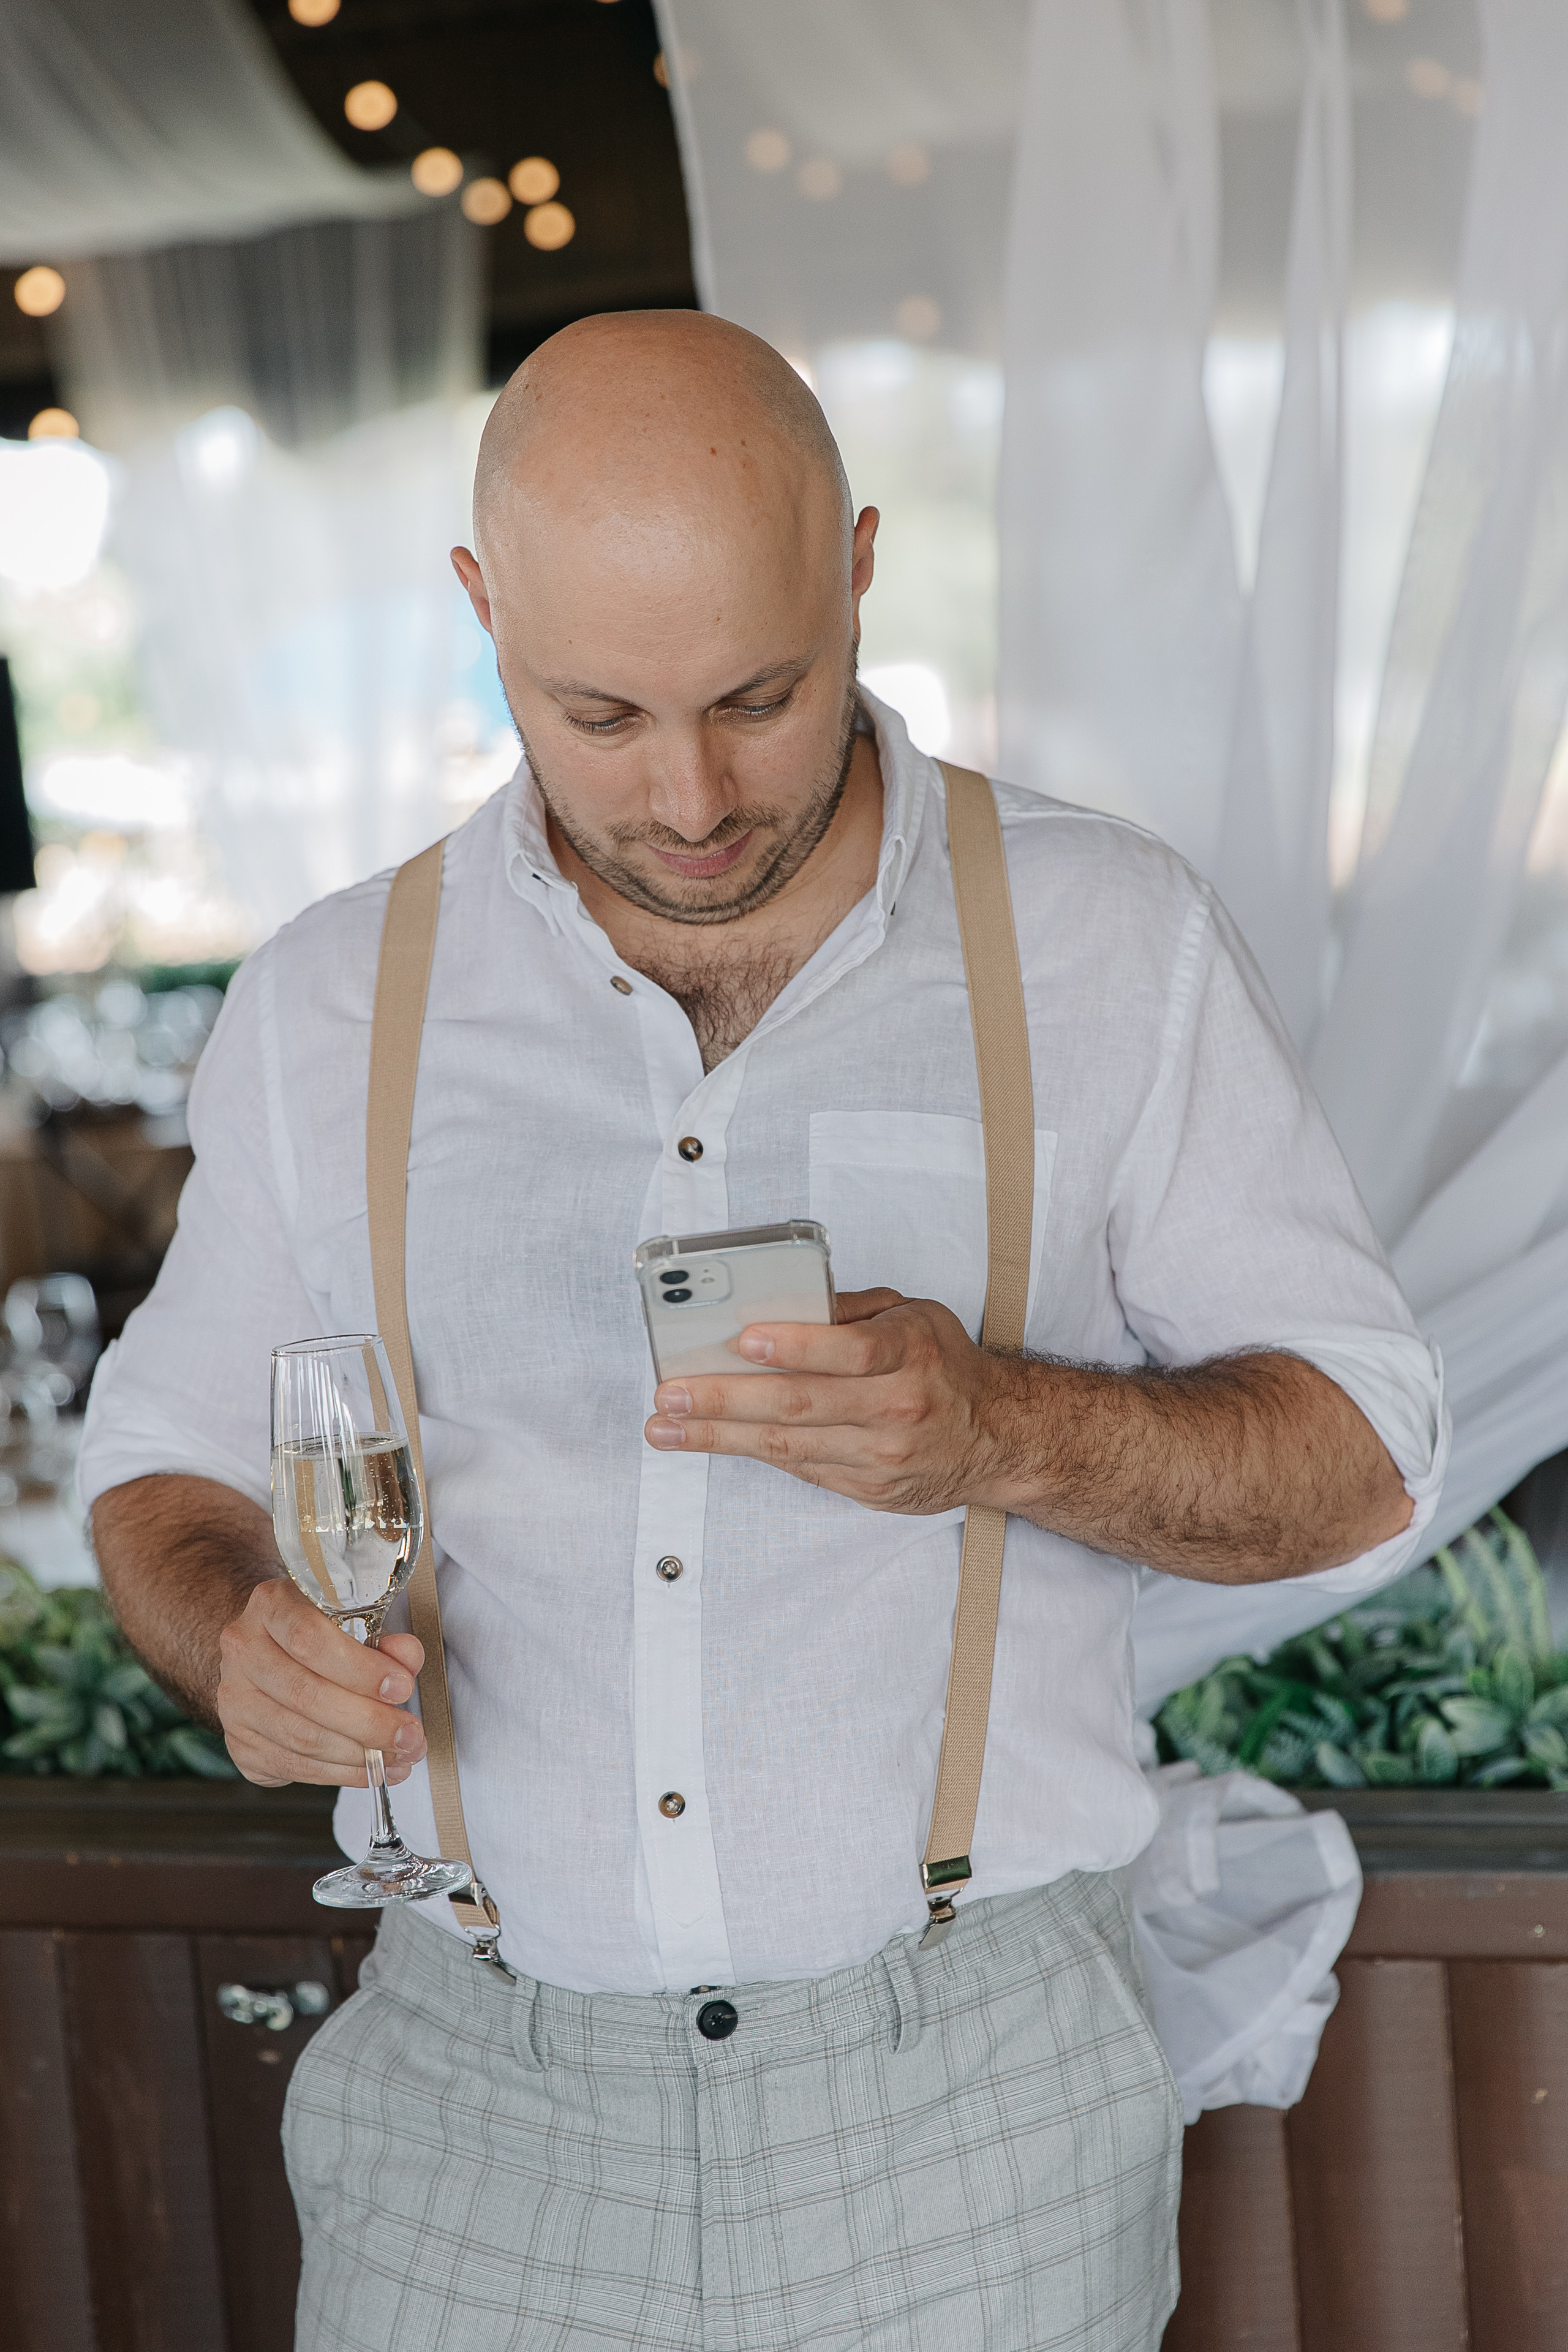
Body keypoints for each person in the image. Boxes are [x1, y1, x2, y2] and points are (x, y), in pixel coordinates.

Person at [81, 311, 1444, 2352]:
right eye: (599, 714)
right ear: (481, 611)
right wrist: (235, 1641)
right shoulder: (327, 1000)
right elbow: (163, 1470)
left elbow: (1364, 1456)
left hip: (972, 2110)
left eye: (759, 697)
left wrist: (999, 1430)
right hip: (471, 2123)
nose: (692, 795)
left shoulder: (1107, 938)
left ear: (861, 571)